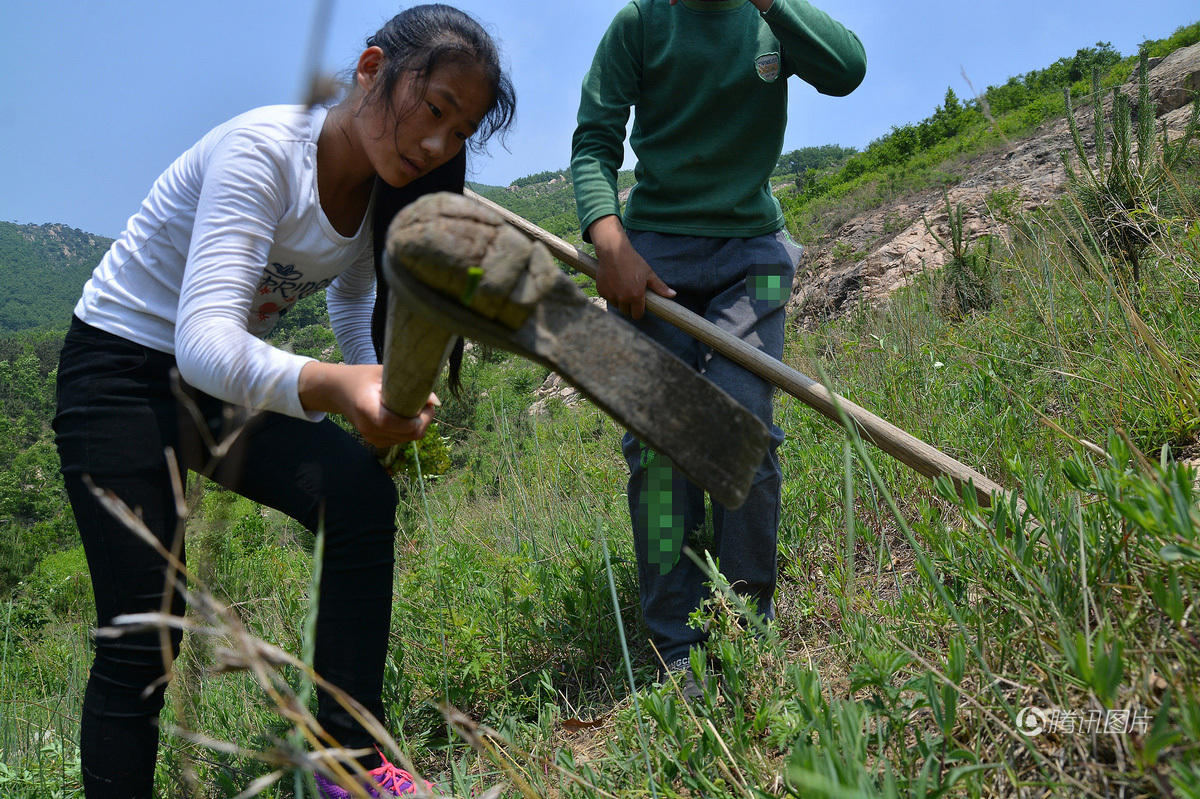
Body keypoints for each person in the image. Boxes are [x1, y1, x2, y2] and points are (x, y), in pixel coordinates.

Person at [52, 5, 514, 797]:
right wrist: (339, 386)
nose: (439, 144)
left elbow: (347, 307)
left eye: (459, 129)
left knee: (358, 492)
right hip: (119, 374)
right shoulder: (262, 152)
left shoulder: (382, 188)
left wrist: (380, 391)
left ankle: (348, 764)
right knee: (143, 634)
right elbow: (203, 341)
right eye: (434, 109)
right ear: (371, 70)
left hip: (220, 383)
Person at [571, 0, 865, 686]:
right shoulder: (641, 23)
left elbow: (846, 69)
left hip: (751, 251)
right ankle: (677, 639)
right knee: (661, 433)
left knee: (741, 424)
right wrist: (609, 240)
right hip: (652, 255)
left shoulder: (771, 20)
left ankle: (744, 622)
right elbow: (594, 143)